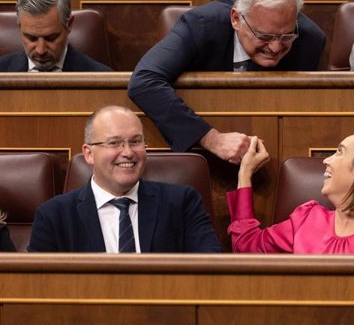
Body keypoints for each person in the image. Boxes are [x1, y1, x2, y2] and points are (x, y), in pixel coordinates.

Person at [128, 0, 326, 162]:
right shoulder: (200, 26)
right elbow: (144, 81)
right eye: (264, 36)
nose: (275, 47)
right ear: (236, 19)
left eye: (286, 36)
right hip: (202, 157)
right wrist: (211, 139)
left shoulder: (309, 40)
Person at [28, 105, 221, 252]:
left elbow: (211, 271)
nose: (128, 152)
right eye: (115, 143)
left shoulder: (181, 203)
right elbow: (38, 289)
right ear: (89, 154)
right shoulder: (54, 216)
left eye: (136, 141)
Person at [227, 127, 354, 254]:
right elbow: (246, 246)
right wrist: (245, 173)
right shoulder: (307, 218)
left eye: (340, 152)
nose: (326, 160)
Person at [0, 0, 112, 72]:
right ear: (19, 27)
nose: (41, 50)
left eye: (51, 38)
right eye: (31, 38)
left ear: (69, 25)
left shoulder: (102, 77)